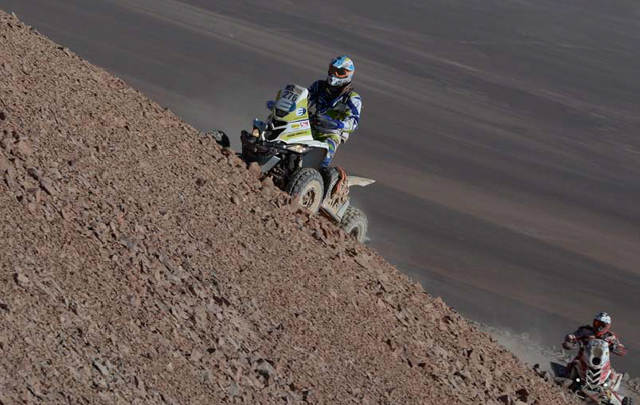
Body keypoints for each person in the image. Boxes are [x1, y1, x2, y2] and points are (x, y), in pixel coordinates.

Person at [307, 55, 362, 167]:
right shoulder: (318, 86)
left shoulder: (352, 98)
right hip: (310, 126)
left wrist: (338, 124)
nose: (334, 74)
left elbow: (354, 123)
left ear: (348, 74)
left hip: (331, 133)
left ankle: (319, 177)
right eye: (333, 70)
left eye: (339, 72)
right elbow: (304, 98)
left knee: (324, 156)